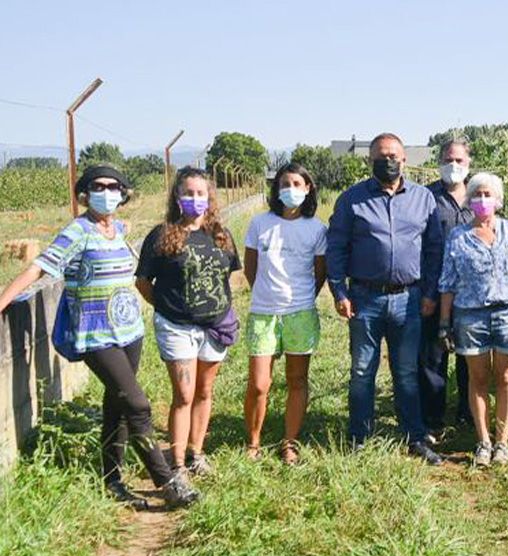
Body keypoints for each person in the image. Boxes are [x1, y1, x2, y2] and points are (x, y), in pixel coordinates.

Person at [0, 166, 196, 508]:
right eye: (98, 186)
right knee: (137, 404)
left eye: (113, 187)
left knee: (117, 407)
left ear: (122, 194)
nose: (106, 192)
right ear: (84, 194)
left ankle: (112, 481)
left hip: (129, 332)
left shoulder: (118, 230)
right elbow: (40, 267)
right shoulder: (78, 231)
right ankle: (167, 481)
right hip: (94, 336)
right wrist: (2, 300)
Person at [326, 133, 444, 464]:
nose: (388, 160)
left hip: (409, 298)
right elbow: (336, 246)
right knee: (363, 369)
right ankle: (359, 437)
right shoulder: (351, 199)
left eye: (393, 155)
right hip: (365, 297)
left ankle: (414, 436)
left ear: (405, 159)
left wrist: (431, 292)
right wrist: (339, 291)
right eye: (381, 155)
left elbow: (434, 249)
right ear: (370, 160)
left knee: (406, 370)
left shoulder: (423, 198)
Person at [136, 167, 240, 483]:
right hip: (176, 327)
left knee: (205, 391)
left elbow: (230, 277)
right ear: (177, 198)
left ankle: (197, 453)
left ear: (210, 197)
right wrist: (169, 307)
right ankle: (177, 464)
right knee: (183, 393)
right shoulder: (162, 235)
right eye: (188, 193)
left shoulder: (221, 235)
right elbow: (143, 282)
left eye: (200, 193)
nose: (195, 199)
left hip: (214, 326)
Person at [438, 172, 508, 467]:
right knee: (478, 378)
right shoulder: (458, 237)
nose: (483, 200)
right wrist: (444, 323)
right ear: (469, 201)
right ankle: (483, 440)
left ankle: (503, 440)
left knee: (507, 377)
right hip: (471, 316)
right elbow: (448, 282)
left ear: (498, 200)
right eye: (477, 195)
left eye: (488, 195)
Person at [242, 163, 327, 464]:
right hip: (264, 313)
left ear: (307, 189)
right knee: (259, 383)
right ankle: (253, 442)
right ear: (276, 190)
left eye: (296, 184)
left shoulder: (316, 229)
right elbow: (250, 267)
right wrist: (265, 294)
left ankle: (289, 442)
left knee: (297, 380)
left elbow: (320, 274)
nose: (290, 190)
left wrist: (300, 299)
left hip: (300, 313)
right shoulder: (259, 224)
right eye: (284, 184)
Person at [421, 138, 474, 438]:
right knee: (433, 357)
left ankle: (467, 414)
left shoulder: (478, 196)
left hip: (469, 293)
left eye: (459, 161)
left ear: (468, 164)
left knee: (469, 355)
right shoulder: (427, 197)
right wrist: (427, 292)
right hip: (434, 290)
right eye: (448, 159)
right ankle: (433, 419)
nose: (453, 165)